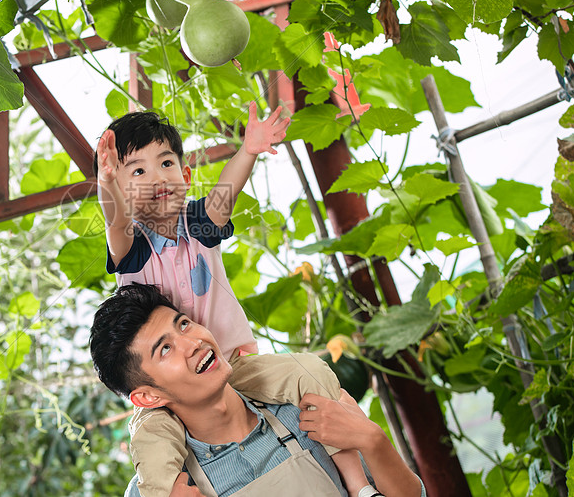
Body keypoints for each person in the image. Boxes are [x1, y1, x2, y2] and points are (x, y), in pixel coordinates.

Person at [94, 106, 369, 496]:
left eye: (167, 162)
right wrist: (106, 184)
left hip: (233, 364)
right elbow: (114, 222)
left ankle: (360, 486)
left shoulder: (198, 224)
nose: (156, 176)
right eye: (137, 171)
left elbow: (226, 195)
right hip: (165, 394)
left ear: (185, 177)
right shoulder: (131, 249)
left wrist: (249, 151)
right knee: (151, 449)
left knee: (308, 371)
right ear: (121, 192)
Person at [89, 284, 427, 497]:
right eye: (165, 350)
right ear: (148, 397)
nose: (193, 343)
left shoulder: (309, 414)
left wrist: (373, 439)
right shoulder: (162, 489)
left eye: (184, 324)